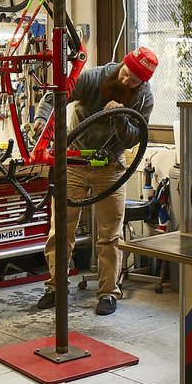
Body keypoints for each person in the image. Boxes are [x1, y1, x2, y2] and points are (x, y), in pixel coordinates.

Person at [34, 46, 157, 315]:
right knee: (61, 230)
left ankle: (108, 293)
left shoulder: (144, 99)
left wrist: (120, 117)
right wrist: (42, 121)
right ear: (122, 63)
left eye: (134, 81)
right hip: (74, 160)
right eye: (125, 73)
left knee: (110, 234)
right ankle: (56, 287)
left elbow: (134, 139)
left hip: (110, 166)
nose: (126, 80)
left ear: (142, 83)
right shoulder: (93, 77)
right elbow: (54, 95)